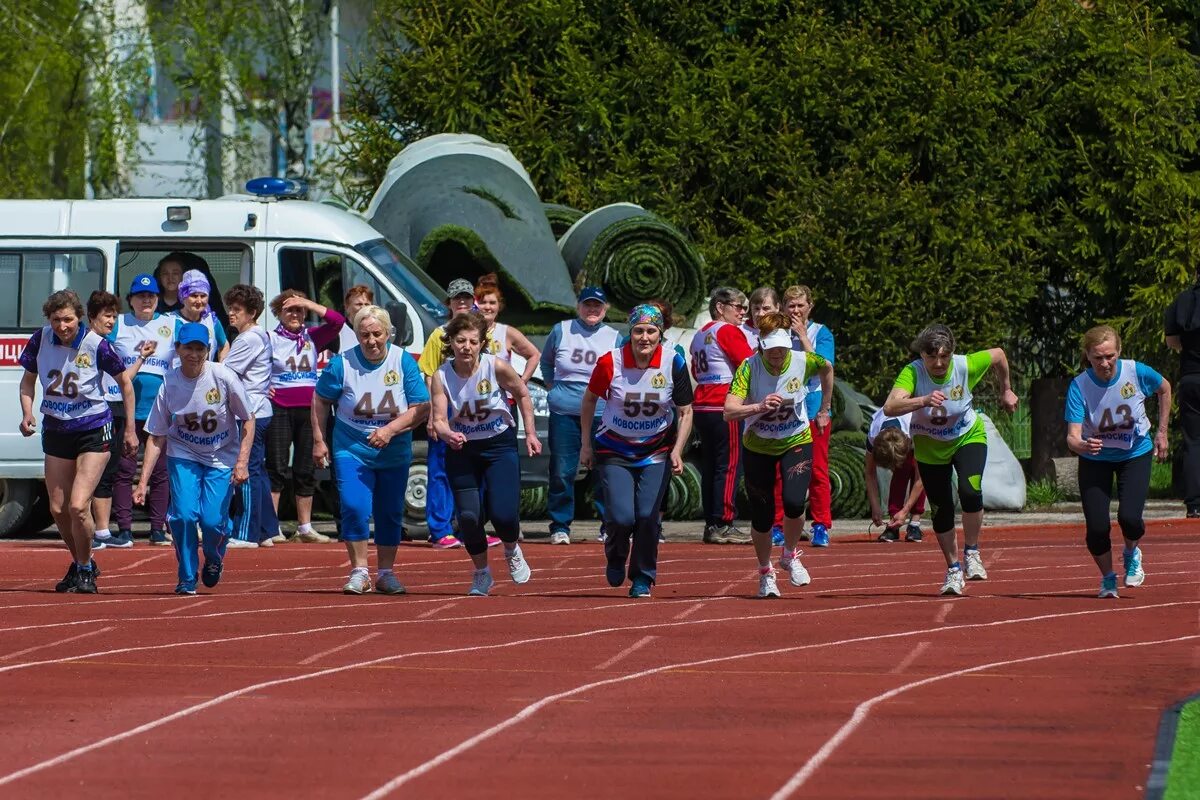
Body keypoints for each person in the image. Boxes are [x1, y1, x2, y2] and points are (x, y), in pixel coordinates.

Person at [883, 324, 1018, 596]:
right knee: (942, 509)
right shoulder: (913, 372)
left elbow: (999, 354)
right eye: (932, 357)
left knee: (970, 491)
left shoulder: (965, 365)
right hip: (930, 447)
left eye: (944, 356)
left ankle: (972, 552)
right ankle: (954, 570)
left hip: (966, 435)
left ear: (952, 354)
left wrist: (1006, 390)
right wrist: (922, 400)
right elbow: (890, 406)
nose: (939, 363)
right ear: (922, 355)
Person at [19, 290, 138, 593]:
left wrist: (130, 429)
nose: (62, 326)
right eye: (57, 319)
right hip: (57, 429)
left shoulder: (97, 345)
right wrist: (27, 412)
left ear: (79, 317)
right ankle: (82, 560)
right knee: (57, 509)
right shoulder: (41, 339)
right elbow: (28, 379)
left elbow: (125, 382)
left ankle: (85, 569)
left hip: (93, 428)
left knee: (77, 506)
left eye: (68, 319)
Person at [313, 305, 430, 594]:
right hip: (351, 446)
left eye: (377, 334)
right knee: (354, 506)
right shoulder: (342, 364)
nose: (372, 341)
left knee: (389, 511)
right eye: (365, 335)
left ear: (388, 334)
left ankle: (386, 573)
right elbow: (320, 400)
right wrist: (319, 440)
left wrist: (390, 430)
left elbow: (422, 407)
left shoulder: (402, 362)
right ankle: (359, 571)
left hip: (394, 448)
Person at [580, 304, 694, 599]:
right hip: (614, 448)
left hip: (656, 449)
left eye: (651, 331)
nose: (644, 337)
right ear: (630, 333)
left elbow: (685, 411)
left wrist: (678, 450)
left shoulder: (673, 362)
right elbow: (590, 400)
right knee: (621, 517)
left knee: (647, 515)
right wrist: (585, 445)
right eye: (639, 331)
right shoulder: (610, 362)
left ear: (661, 334)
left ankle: (642, 577)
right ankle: (616, 554)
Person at [135, 323, 254, 595]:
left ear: (208, 350)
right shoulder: (169, 382)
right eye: (188, 347)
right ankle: (187, 577)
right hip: (183, 454)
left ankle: (213, 555)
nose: (194, 353)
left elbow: (248, 419)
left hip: (221, 456)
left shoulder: (223, 377)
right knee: (184, 516)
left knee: (213, 521)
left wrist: (242, 462)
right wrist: (143, 482)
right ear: (177, 349)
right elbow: (156, 435)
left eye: (200, 348)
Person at [723, 313, 832, 598]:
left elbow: (827, 368)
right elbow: (728, 411)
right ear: (761, 345)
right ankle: (765, 571)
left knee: (795, 501)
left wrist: (824, 408)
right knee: (763, 515)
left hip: (795, 439)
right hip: (758, 445)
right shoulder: (749, 368)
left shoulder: (803, 361)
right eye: (771, 349)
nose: (777, 355)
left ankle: (790, 555)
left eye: (781, 349)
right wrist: (757, 407)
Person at [431, 312, 539, 595]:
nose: (467, 347)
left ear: (481, 344)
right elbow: (439, 419)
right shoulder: (442, 376)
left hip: (498, 444)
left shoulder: (497, 367)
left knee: (503, 515)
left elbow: (523, 394)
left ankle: (512, 549)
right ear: (451, 342)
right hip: (463, 448)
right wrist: (447, 434)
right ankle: (481, 573)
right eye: (460, 341)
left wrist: (529, 433)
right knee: (468, 517)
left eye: (473, 341)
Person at [1066, 325, 1171, 598]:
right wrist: (1083, 444)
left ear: (1119, 352)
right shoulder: (1079, 386)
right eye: (1098, 358)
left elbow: (1165, 388)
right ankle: (1108, 577)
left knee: (1130, 519)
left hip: (1134, 453)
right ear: (1088, 356)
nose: (1105, 363)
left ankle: (1131, 551)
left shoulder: (1136, 372)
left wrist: (1162, 432)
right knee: (1097, 528)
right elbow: (1072, 437)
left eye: (1110, 356)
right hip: (1095, 458)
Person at [539, 287, 619, 545]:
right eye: (587, 305)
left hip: (602, 414)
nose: (592, 310)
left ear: (605, 309)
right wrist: (553, 387)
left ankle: (608, 524)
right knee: (563, 470)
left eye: (597, 305)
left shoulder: (615, 336)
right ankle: (560, 525)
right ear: (578, 306)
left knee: (605, 470)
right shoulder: (561, 330)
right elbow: (546, 362)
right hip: (565, 412)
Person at [265, 289, 345, 543]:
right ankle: (271, 526)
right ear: (279, 313)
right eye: (290, 309)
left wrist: (309, 303)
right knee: (276, 466)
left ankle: (305, 527)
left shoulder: (312, 336)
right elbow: (250, 366)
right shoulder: (269, 338)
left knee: (306, 467)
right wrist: (260, 384)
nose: (296, 314)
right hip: (279, 407)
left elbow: (337, 322)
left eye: (299, 310)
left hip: (309, 410)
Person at [109, 274, 176, 547]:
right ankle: (124, 528)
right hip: (127, 411)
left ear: (158, 299)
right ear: (131, 300)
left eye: (151, 296)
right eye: (140, 295)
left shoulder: (171, 324)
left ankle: (157, 529)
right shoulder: (120, 324)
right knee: (124, 469)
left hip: (159, 410)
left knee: (160, 471)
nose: (146, 300)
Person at [417, 278, 483, 549]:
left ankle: (470, 528)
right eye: (457, 299)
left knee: (474, 473)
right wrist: (434, 415)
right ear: (449, 304)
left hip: (475, 416)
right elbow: (428, 374)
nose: (463, 303)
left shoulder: (482, 335)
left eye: (467, 298)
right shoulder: (439, 335)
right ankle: (440, 529)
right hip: (447, 415)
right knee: (441, 471)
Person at [89, 290, 154, 550]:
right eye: (107, 316)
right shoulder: (87, 343)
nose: (112, 322)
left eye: (114, 317)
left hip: (114, 410)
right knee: (92, 473)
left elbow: (123, 379)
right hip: (94, 413)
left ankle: (103, 532)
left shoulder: (107, 345)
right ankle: (88, 530)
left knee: (109, 471)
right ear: (92, 316)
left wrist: (141, 358)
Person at [690, 287, 754, 545]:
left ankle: (712, 522)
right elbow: (749, 363)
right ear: (720, 307)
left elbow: (696, 370)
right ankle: (724, 522)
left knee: (711, 466)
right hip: (724, 406)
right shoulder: (727, 331)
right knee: (728, 466)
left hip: (703, 406)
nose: (742, 312)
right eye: (738, 306)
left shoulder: (700, 334)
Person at [222, 284, 279, 548]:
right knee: (258, 470)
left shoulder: (248, 339)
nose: (231, 314)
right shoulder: (258, 336)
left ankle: (246, 533)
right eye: (230, 309)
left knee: (245, 470)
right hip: (259, 408)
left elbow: (227, 373)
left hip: (250, 410)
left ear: (252, 312)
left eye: (237, 310)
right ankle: (267, 528)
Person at [784, 285, 836, 547]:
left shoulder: (821, 333)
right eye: (790, 306)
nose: (795, 311)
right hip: (784, 408)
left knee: (817, 468)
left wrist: (803, 337)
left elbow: (824, 367)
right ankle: (778, 525)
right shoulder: (778, 333)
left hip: (814, 404)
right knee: (782, 470)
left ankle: (821, 525)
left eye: (800, 305)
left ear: (809, 306)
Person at [1164, 273, 1200, 518]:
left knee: (1194, 441)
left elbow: (1172, 341)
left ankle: (1195, 504)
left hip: (1192, 376)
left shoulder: (1183, 300)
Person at [864, 408, 925, 543]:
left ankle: (915, 523)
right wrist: (875, 507)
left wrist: (906, 510)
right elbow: (869, 472)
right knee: (900, 473)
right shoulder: (874, 435)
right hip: (902, 432)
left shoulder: (917, 427)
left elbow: (921, 478)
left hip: (920, 428)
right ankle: (894, 521)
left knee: (916, 467)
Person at [473, 273, 541, 381]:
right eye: (483, 302)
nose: (487, 307)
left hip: (501, 395)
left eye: (492, 303)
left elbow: (535, 355)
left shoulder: (507, 332)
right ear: (476, 305)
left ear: (499, 306)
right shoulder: (467, 330)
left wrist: (521, 382)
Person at [155, 252, 229, 332]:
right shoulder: (152, 303)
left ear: (183, 276)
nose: (170, 277)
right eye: (165, 273)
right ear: (159, 277)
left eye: (175, 273)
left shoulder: (193, 303)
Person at [168, 270, 229, 362]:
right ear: (183, 296)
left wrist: (221, 368)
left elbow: (224, 345)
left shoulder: (212, 321)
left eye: (203, 296)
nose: (199, 301)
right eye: (194, 295)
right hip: (174, 375)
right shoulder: (169, 320)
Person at [338, 285, 375, 354]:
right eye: (359, 304)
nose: (363, 308)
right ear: (347, 307)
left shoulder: (377, 331)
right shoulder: (338, 332)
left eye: (367, 304)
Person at [742, 286, 781, 350]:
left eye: (766, 308)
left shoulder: (785, 330)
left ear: (777, 307)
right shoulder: (740, 332)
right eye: (756, 308)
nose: (760, 314)